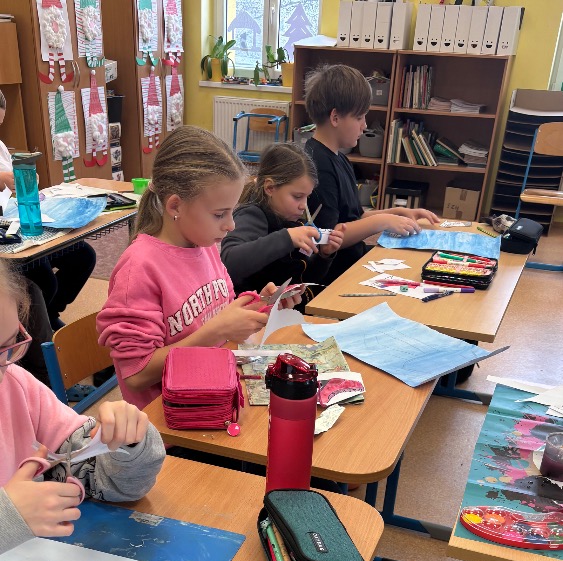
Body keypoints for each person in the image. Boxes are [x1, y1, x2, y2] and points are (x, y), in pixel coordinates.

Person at [97, 126, 300, 411]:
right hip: (171, 419)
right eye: (219, 214)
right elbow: (136, 375)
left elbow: (216, 312)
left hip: (214, 390)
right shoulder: (139, 268)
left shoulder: (204, 245)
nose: (231, 225)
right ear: (175, 206)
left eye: (232, 211)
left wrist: (260, 306)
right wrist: (217, 331)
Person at [0, 261, 166, 557]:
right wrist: (9, 518)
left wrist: (127, 443)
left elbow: (105, 480)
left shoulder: (16, 386)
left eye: (9, 345)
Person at [303, 64, 441, 281]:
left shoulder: (339, 158)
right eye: (359, 117)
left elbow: (355, 217)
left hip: (353, 260)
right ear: (335, 117)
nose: (365, 125)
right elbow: (329, 237)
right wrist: (383, 221)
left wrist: (397, 213)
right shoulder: (317, 165)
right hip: (335, 274)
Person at [0, 89, 97, 330]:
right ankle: (36, 330)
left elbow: (12, 187)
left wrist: (24, 180)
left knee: (82, 257)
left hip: (14, 222)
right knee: (44, 279)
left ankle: (49, 314)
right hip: (5, 241)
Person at [220, 142, 344, 306]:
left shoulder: (292, 221)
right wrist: (287, 238)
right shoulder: (252, 215)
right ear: (270, 187)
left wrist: (324, 256)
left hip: (288, 310)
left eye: (307, 197)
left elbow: (304, 280)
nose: (303, 205)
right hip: (256, 315)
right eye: (297, 196)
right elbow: (229, 262)